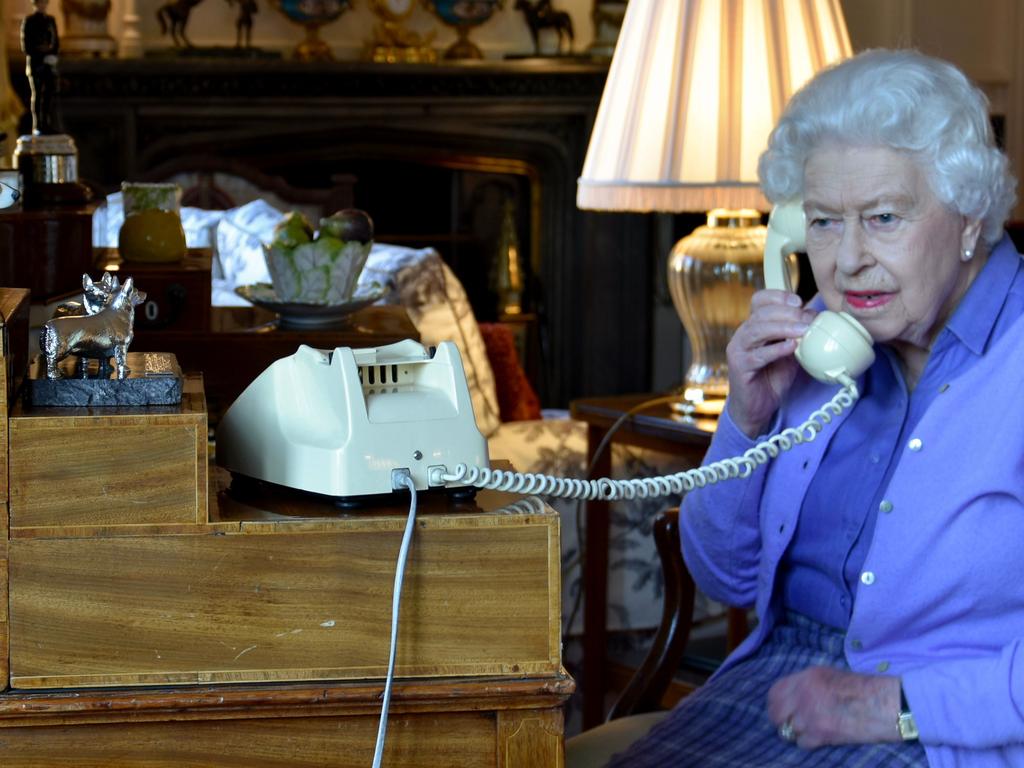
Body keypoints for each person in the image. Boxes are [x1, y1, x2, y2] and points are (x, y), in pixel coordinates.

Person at [599, 48, 1024, 767]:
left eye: (883, 217)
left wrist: (900, 705)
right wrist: (748, 418)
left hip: (946, 721)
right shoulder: (824, 346)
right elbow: (723, 577)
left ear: (969, 218)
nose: (847, 260)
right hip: (779, 687)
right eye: (824, 222)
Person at [20, 0, 61, 136]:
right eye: (40, 3)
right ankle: (37, 124)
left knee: (48, 96)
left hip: (48, 65)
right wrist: (42, 52)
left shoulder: (50, 20)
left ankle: (46, 123)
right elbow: (26, 46)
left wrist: (51, 54)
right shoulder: (29, 21)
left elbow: (55, 42)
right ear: (35, 4)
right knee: (36, 96)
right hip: (36, 65)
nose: (42, 5)